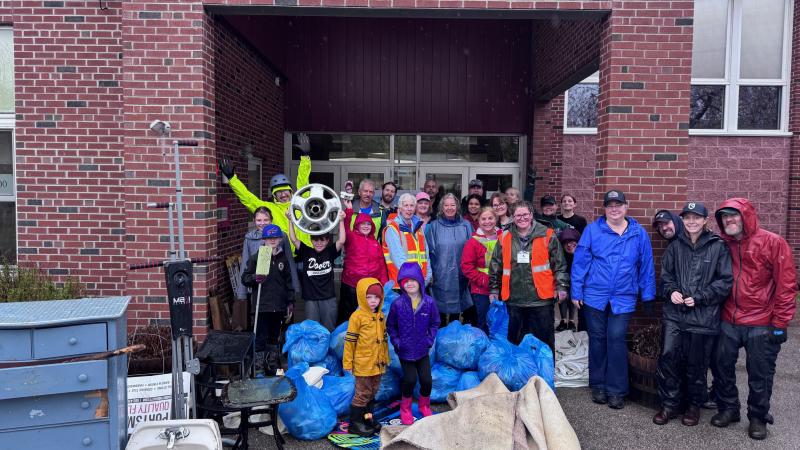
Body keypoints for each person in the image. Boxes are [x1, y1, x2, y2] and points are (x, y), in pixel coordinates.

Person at [710, 198, 797, 440]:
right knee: (721, 366)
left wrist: (780, 323)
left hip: (761, 320)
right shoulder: (722, 244)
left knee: (760, 372)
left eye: (734, 215)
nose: (729, 220)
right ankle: (729, 408)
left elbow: (786, 285)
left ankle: (758, 416)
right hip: (729, 317)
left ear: (746, 216)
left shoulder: (773, 243)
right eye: (724, 217)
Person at [570, 189, 656, 410]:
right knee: (597, 338)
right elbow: (580, 262)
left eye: (618, 205)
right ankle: (598, 384)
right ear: (605, 209)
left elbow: (646, 266)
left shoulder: (638, 233)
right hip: (594, 295)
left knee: (616, 339)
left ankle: (616, 389)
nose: (614, 209)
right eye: (610, 205)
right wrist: (576, 291)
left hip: (624, 295)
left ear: (626, 207)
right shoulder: (592, 230)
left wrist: (648, 295)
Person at [653, 202, 732, 427]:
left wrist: (701, 296)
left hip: (703, 317)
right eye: (687, 218)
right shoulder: (675, 246)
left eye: (696, 218)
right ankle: (669, 404)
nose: (691, 222)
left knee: (696, 364)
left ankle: (693, 406)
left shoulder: (718, 246)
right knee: (669, 359)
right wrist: (672, 291)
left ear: (705, 220)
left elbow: (725, 282)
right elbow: (666, 276)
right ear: (683, 221)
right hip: (675, 315)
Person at [488, 201, 569, 350]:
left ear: (531, 215)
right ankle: (520, 373)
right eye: (518, 215)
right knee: (515, 343)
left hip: (541, 301)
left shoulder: (547, 235)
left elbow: (560, 265)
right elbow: (495, 266)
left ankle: (544, 373)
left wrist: (562, 286)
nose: (522, 218)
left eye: (525, 214)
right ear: (513, 217)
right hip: (513, 300)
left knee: (543, 344)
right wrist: (493, 289)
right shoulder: (504, 237)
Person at [219, 134, 313, 251]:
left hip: (305, 254)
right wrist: (232, 179)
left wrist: (305, 158)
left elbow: (303, 182)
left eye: (285, 191)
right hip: (279, 255)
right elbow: (247, 198)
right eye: (278, 192)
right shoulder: (268, 209)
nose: (283, 194)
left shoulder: (301, 203)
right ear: (274, 195)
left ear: (291, 191)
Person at [387, 262, 440, 425]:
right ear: (401, 283)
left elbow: (435, 322)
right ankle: (406, 409)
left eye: (413, 280)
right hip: (404, 350)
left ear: (420, 281)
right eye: (405, 281)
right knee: (409, 380)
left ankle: (424, 406)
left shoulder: (429, 303)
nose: (409, 283)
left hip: (422, 350)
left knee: (426, 380)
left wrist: (429, 340)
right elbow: (391, 325)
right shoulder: (397, 304)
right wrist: (397, 342)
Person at [241, 224, 294, 376]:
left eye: (275, 238)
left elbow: (288, 282)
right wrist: (254, 278)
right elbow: (245, 278)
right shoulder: (257, 257)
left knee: (274, 336)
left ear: (279, 239)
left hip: (278, 305)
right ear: (264, 239)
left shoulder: (282, 257)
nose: (272, 240)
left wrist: (290, 302)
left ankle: (271, 364)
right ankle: (258, 366)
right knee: (260, 337)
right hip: (262, 305)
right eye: (269, 238)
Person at [235, 207, 299, 331]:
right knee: (261, 323)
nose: (262, 223)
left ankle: (280, 347)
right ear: (254, 221)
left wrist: (294, 288)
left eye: (266, 220)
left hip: (278, 286)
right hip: (260, 287)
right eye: (259, 220)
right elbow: (245, 264)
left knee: (282, 322)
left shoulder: (281, 236)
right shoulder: (249, 238)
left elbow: (288, 262)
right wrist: (242, 292)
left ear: (271, 220)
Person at [285, 209, 346, 332]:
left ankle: (328, 350)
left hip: (328, 297)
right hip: (310, 299)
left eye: (322, 240)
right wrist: (290, 221)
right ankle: (315, 351)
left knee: (329, 328)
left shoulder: (330, 251)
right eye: (316, 240)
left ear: (327, 241)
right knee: (312, 329)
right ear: (311, 240)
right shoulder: (306, 251)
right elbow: (293, 239)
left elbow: (342, 240)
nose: (319, 243)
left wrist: (341, 220)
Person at [343, 278, 389, 437]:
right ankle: (355, 424)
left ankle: (367, 418)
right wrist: (348, 362)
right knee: (362, 393)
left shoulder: (381, 316)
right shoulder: (357, 317)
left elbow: (383, 340)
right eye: (369, 297)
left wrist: (385, 359)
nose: (373, 301)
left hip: (377, 364)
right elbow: (350, 341)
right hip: (363, 364)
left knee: (372, 392)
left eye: (376, 297)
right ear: (362, 297)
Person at [426, 193, 474, 326]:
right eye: (446, 205)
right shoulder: (434, 226)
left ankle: (453, 340)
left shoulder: (466, 225)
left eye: (452, 205)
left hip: (462, 276)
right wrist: (431, 274)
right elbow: (428, 252)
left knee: (456, 315)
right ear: (441, 207)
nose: (449, 208)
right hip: (440, 276)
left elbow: (473, 249)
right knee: (439, 312)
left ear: (457, 207)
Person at [339, 199, 389, 325]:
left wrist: (385, 285)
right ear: (357, 225)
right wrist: (349, 210)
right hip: (352, 284)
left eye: (369, 224)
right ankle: (346, 341)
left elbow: (381, 265)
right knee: (349, 316)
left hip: (370, 287)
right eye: (363, 224)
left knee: (367, 317)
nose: (366, 226)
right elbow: (345, 226)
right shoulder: (351, 237)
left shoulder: (376, 243)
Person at [461, 206, 500, 332]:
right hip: (481, 289)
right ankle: (485, 349)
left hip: (502, 286)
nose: (487, 221)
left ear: (496, 219)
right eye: (484, 219)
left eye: (490, 218)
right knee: (483, 322)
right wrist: (484, 280)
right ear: (478, 220)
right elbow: (466, 267)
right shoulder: (473, 241)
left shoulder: (504, 237)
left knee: (500, 322)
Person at [382, 193, 432, 287]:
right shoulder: (393, 228)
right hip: (402, 284)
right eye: (406, 205)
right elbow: (399, 259)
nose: (409, 209)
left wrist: (428, 277)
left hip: (420, 283)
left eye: (412, 206)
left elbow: (426, 255)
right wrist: (413, 280)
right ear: (400, 208)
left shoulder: (418, 227)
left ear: (415, 208)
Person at [555, 228, 582, 332]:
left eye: (573, 243)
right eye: (567, 244)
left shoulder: (580, 253)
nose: (570, 246)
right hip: (563, 276)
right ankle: (563, 320)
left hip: (575, 277)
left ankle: (571, 320)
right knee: (563, 297)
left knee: (572, 297)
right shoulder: (561, 253)